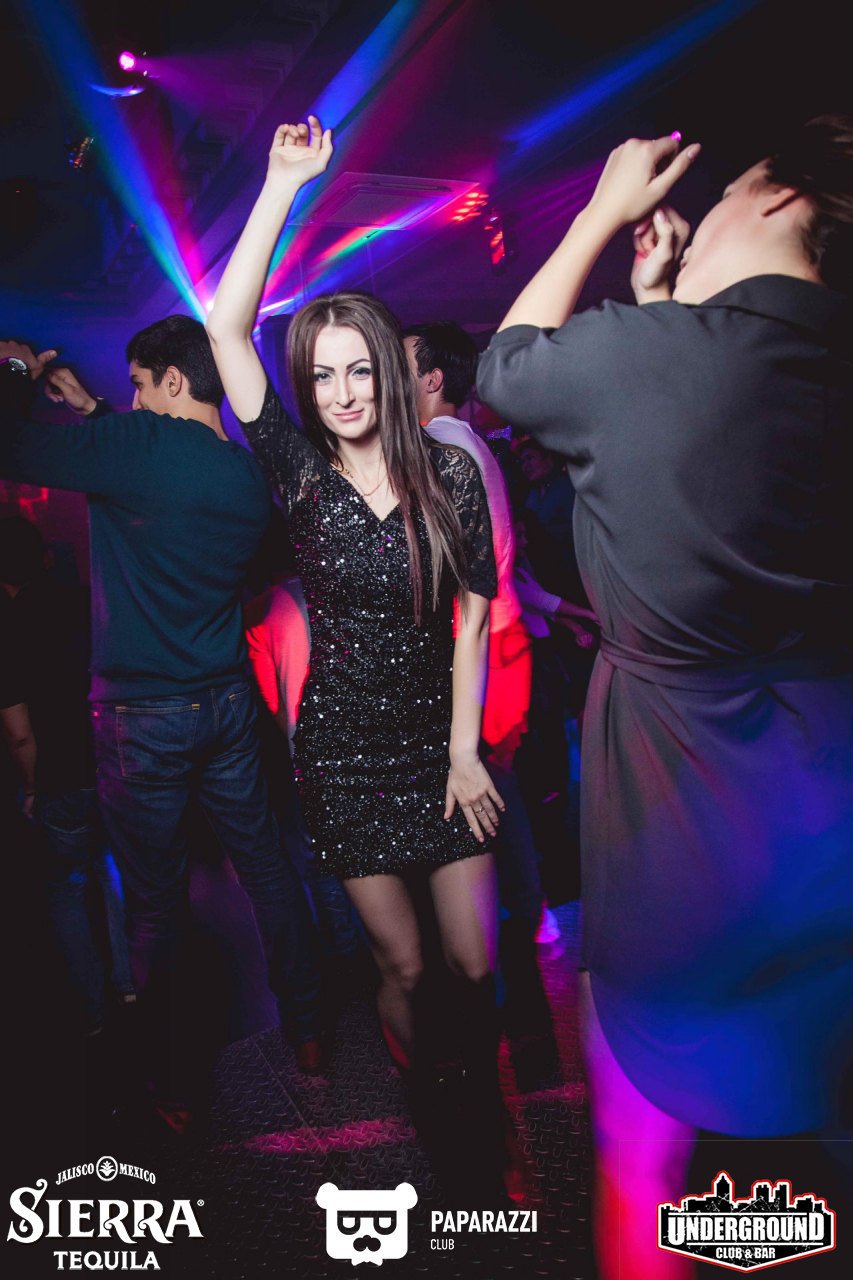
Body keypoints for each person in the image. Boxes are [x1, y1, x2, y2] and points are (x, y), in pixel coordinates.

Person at [477, 116, 853, 1278]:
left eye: (732, 187)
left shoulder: (660, 356)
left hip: (679, 798)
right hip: (825, 796)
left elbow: (509, 367)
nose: (712, 210)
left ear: (782, 199)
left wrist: (601, 210)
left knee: (642, 1139)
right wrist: (658, 305)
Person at [205, 116, 512, 1198]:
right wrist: (280, 185)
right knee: (407, 966)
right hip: (342, 756)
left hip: (440, 746)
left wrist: (464, 752)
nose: (340, 393)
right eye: (321, 374)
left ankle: (483, 1098)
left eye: (357, 371)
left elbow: (471, 616)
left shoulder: (447, 471)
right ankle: (440, 1116)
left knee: (474, 962)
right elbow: (225, 326)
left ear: (387, 371)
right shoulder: (297, 473)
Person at [0, 318, 325, 1124]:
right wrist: (98, 410)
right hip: (226, 703)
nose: (136, 398)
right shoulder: (245, 474)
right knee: (268, 869)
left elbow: (14, 446)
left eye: (142, 384)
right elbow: (167, 481)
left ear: (173, 381)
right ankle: (310, 1031)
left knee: (153, 902)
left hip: (141, 717)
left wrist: (15, 371)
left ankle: (176, 1082)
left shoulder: (136, 446)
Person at [0, 515, 135, 1034]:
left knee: (65, 890)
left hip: (60, 780)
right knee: (115, 871)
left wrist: (32, 788)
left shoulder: (7, 631)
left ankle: (94, 1011)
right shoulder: (84, 603)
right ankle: (132, 983)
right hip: (113, 763)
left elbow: (19, 735)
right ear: (45, 557)